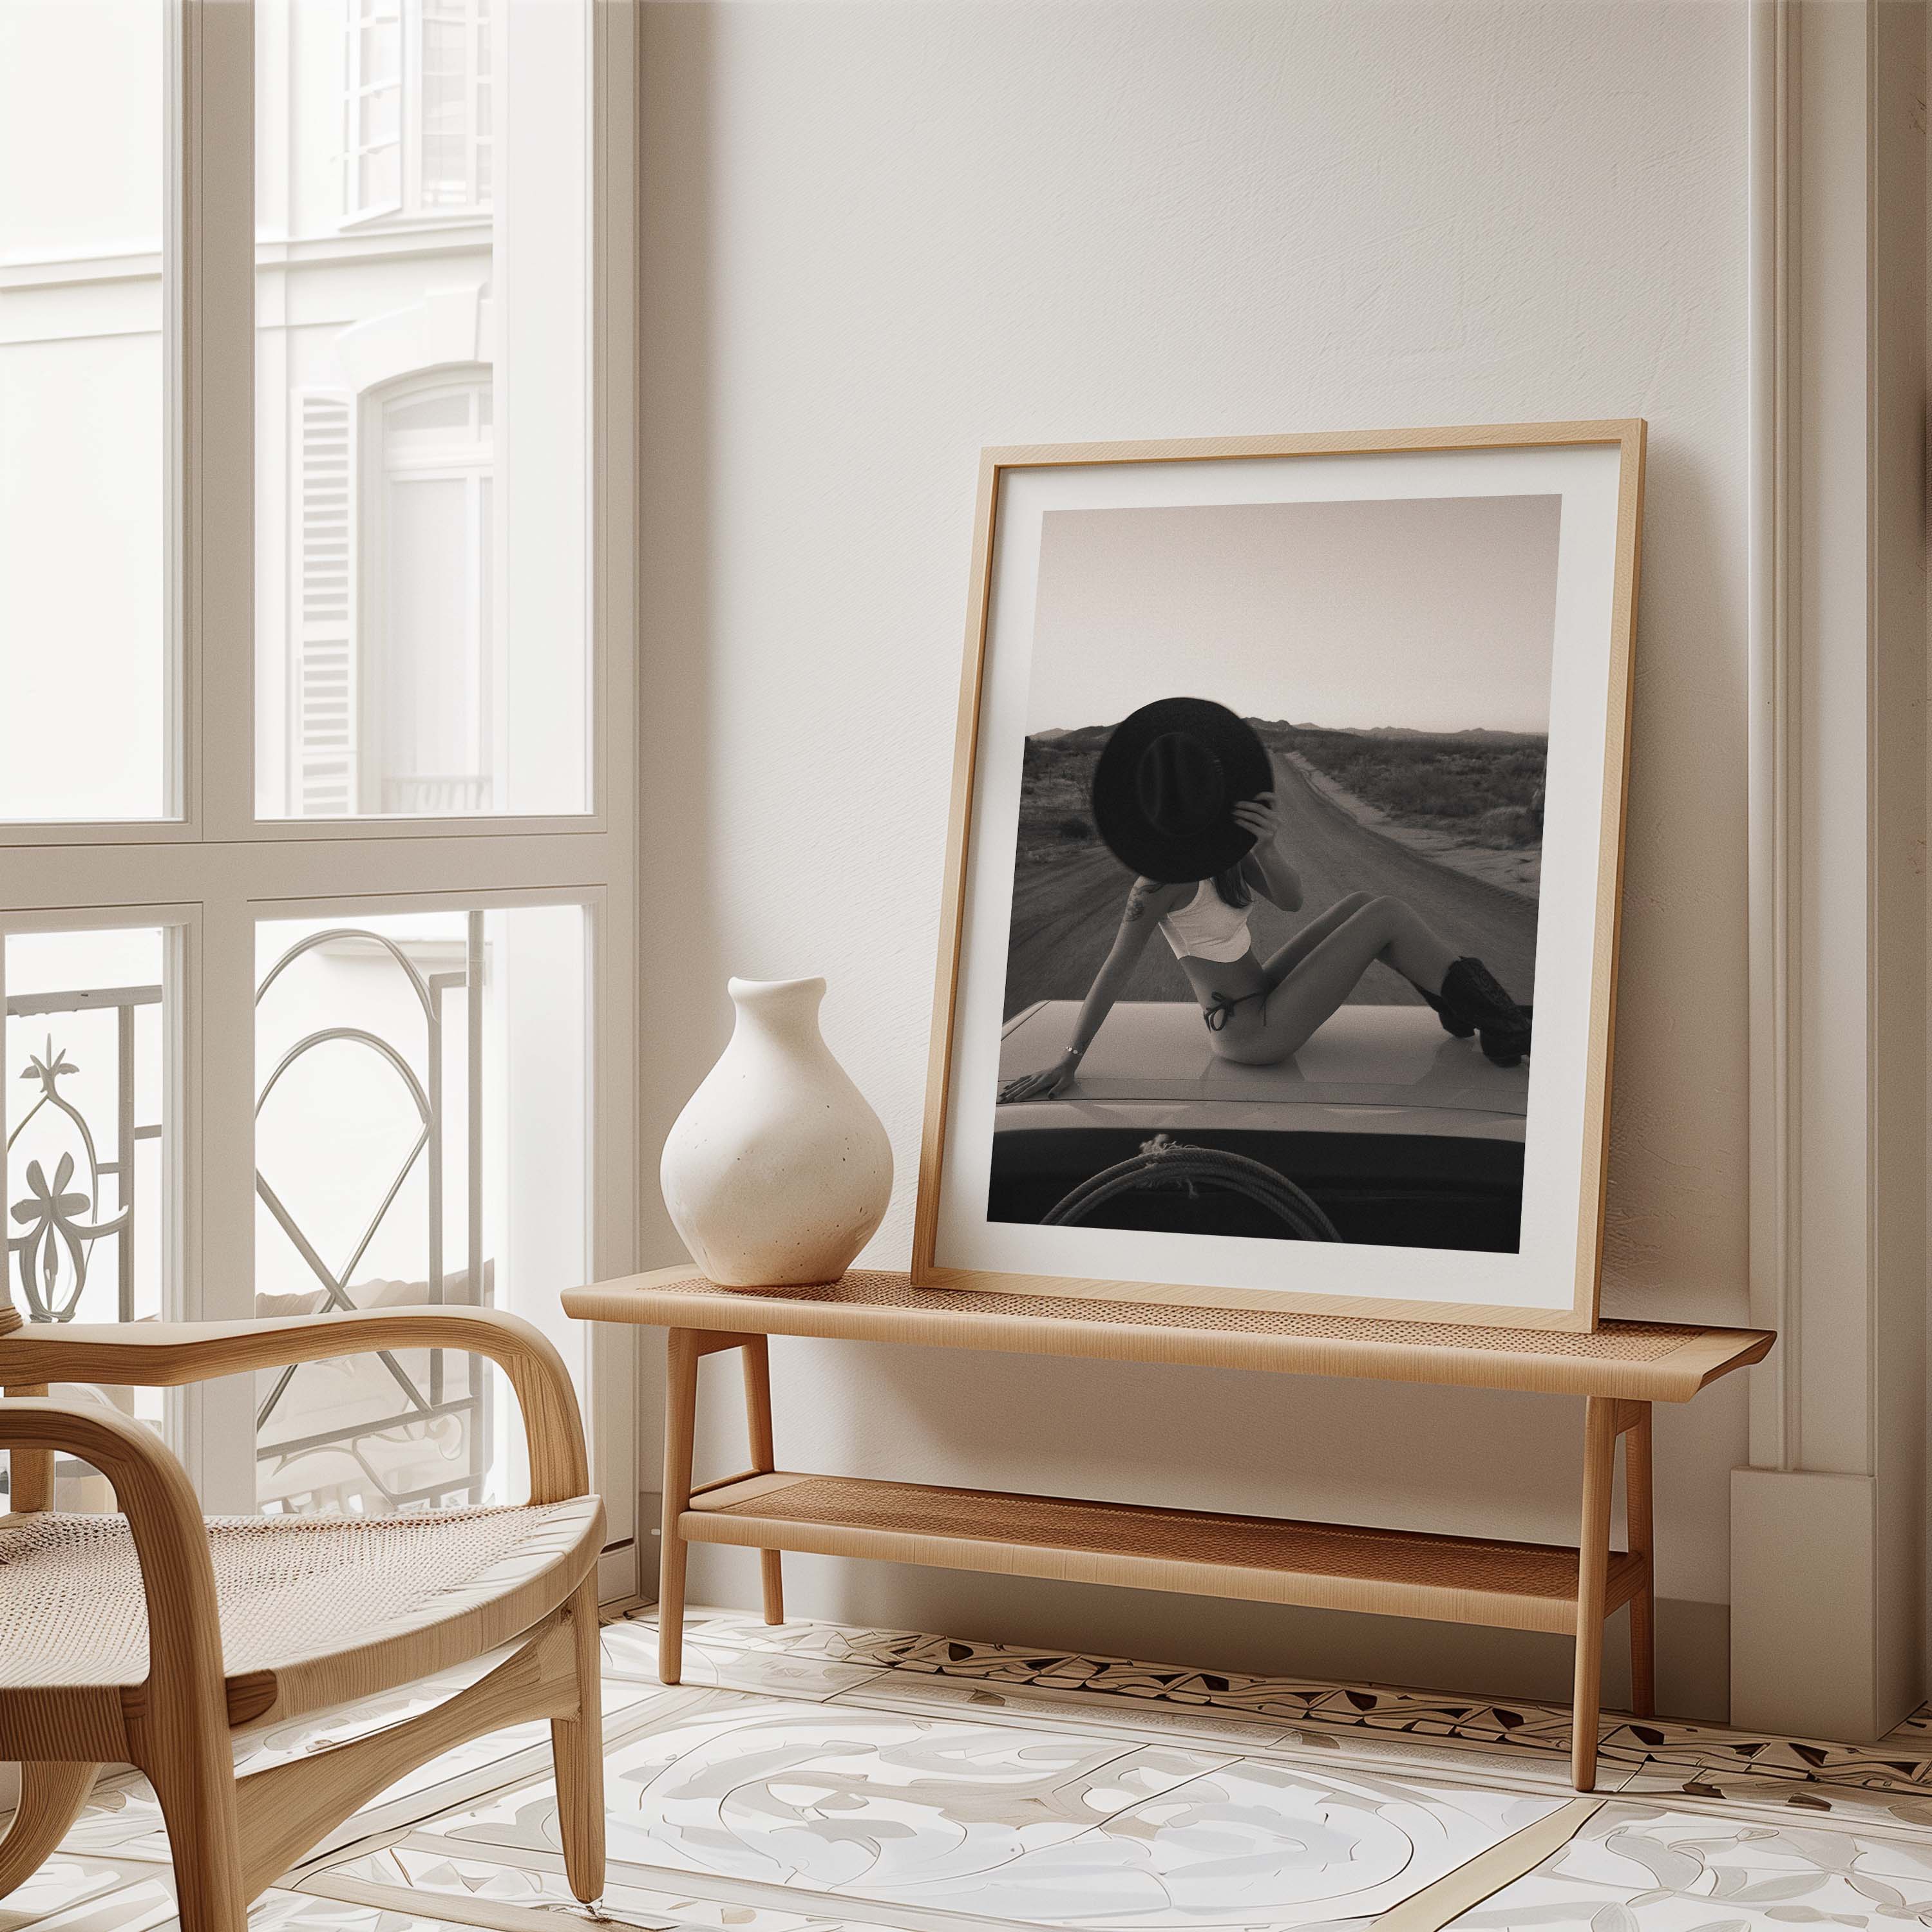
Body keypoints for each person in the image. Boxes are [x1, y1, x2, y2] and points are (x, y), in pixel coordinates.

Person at [999, 697, 1531, 1103]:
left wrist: (1268, 847)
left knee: (1363, 901)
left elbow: (1292, 901)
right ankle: (1498, 1022)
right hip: (1250, 1034)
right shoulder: (1158, 884)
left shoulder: (1222, 849)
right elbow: (1114, 970)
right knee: (1387, 915)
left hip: (1264, 994)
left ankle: (1460, 1004)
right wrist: (1069, 1060)